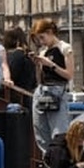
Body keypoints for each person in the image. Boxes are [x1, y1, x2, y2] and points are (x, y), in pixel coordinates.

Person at [30, 19, 74, 154]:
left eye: (42, 38)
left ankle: (59, 162)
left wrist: (51, 65)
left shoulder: (64, 48)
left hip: (57, 90)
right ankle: (48, 160)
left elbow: (69, 74)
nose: (42, 42)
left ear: (50, 32)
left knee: (58, 131)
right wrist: (38, 63)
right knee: (41, 131)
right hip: (42, 90)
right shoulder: (44, 52)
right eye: (39, 40)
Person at [2, 27, 36, 110]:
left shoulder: (13, 56)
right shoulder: (26, 56)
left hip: (14, 97)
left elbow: (12, 75)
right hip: (27, 96)